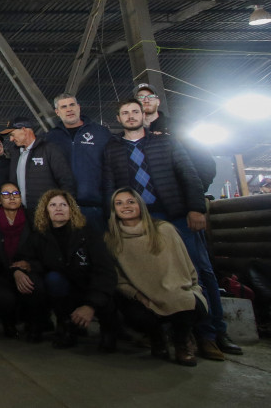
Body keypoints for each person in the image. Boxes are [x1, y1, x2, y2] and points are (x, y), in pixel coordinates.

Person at [103, 98, 241, 360]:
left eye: (135, 112)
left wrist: (196, 208)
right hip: (138, 219)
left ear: (145, 116)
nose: (131, 116)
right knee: (144, 274)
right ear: (118, 119)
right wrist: (114, 218)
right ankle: (166, 333)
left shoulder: (165, 142)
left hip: (174, 215)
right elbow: (110, 186)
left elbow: (188, 174)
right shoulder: (113, 149)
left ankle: (209, 334)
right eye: (125, 113)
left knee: (197, 271)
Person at [105, 188, 208, 366]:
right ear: (114, 210)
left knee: (186, 302)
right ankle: (156, 337)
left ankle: (181, 342)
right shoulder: (111, 240)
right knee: (135, 313)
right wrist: (140, 296)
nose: (126, 206)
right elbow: (119, 279)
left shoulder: (164, 230)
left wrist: (183, 289)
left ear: (140, 205)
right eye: (119, 203)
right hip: (141, 295)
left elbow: (184, 266)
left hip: (173, 289)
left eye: (131, 201)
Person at [18, 189, 117, 351]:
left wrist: (90, 305)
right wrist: (19, 271)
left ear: (71, 209)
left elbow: (105, 272)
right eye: (53, 205)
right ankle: (66, 325)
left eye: (63, 204)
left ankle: (109, 329)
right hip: (67, 293)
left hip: (92, 289)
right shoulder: (39, 236)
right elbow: (26, 259)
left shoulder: (88, 233)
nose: (59, 208)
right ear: (46, 210)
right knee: (53, 279)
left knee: (107, 342)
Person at [0, 182, 43, 341]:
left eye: (15, 194)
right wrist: (12, 271)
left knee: (35, 286)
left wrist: (27, 266)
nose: (12, 198)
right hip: (0, 271)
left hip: (27, 269)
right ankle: (8, 323)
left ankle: (35, 325)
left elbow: (41, 252)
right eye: (6, 195)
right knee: (1, 297)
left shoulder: (33, 221)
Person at [45, 94, 112, 234]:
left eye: (72, 105)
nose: (69, 109)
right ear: (57, 112)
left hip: (96, 207)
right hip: (64, 208)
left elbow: (111, 168)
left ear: (78, 107)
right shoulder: (51, 138)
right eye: (64, 107)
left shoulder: (101, 133)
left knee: (100, 252)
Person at [134, 83, 216, 191]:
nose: (146, 100)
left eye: (151, 96)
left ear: (158, 101)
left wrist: (197, 191)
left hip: (182, 197)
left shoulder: (180, 126)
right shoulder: (131, 134)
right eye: (141, 97)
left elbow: (205, 161)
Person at [2, 117, 75, 219]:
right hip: (23, 214)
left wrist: (66, 208)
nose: (11, 139)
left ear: (24, 130)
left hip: (47, 213)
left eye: (12, 135)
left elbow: (66, 181)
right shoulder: (15, 153)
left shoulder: (49, 149)